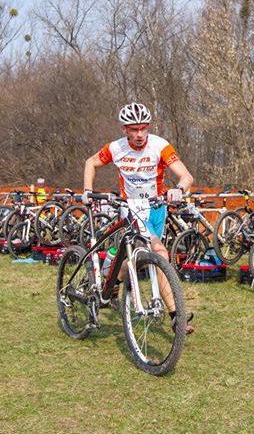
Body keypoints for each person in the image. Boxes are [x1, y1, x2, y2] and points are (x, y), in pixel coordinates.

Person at [83, 102, 195, 334]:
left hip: (156, 208)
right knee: (160, 253)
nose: (139, 134)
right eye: (134, 129)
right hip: (132, 208)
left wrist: (180, 189)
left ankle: (111, 281)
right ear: (125, 129)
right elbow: (90, 162)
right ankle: (177, 317)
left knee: (136, 258)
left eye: (143, 128)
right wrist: (87, 190)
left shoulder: (160, 146)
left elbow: (186, 175)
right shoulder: (116, 148)